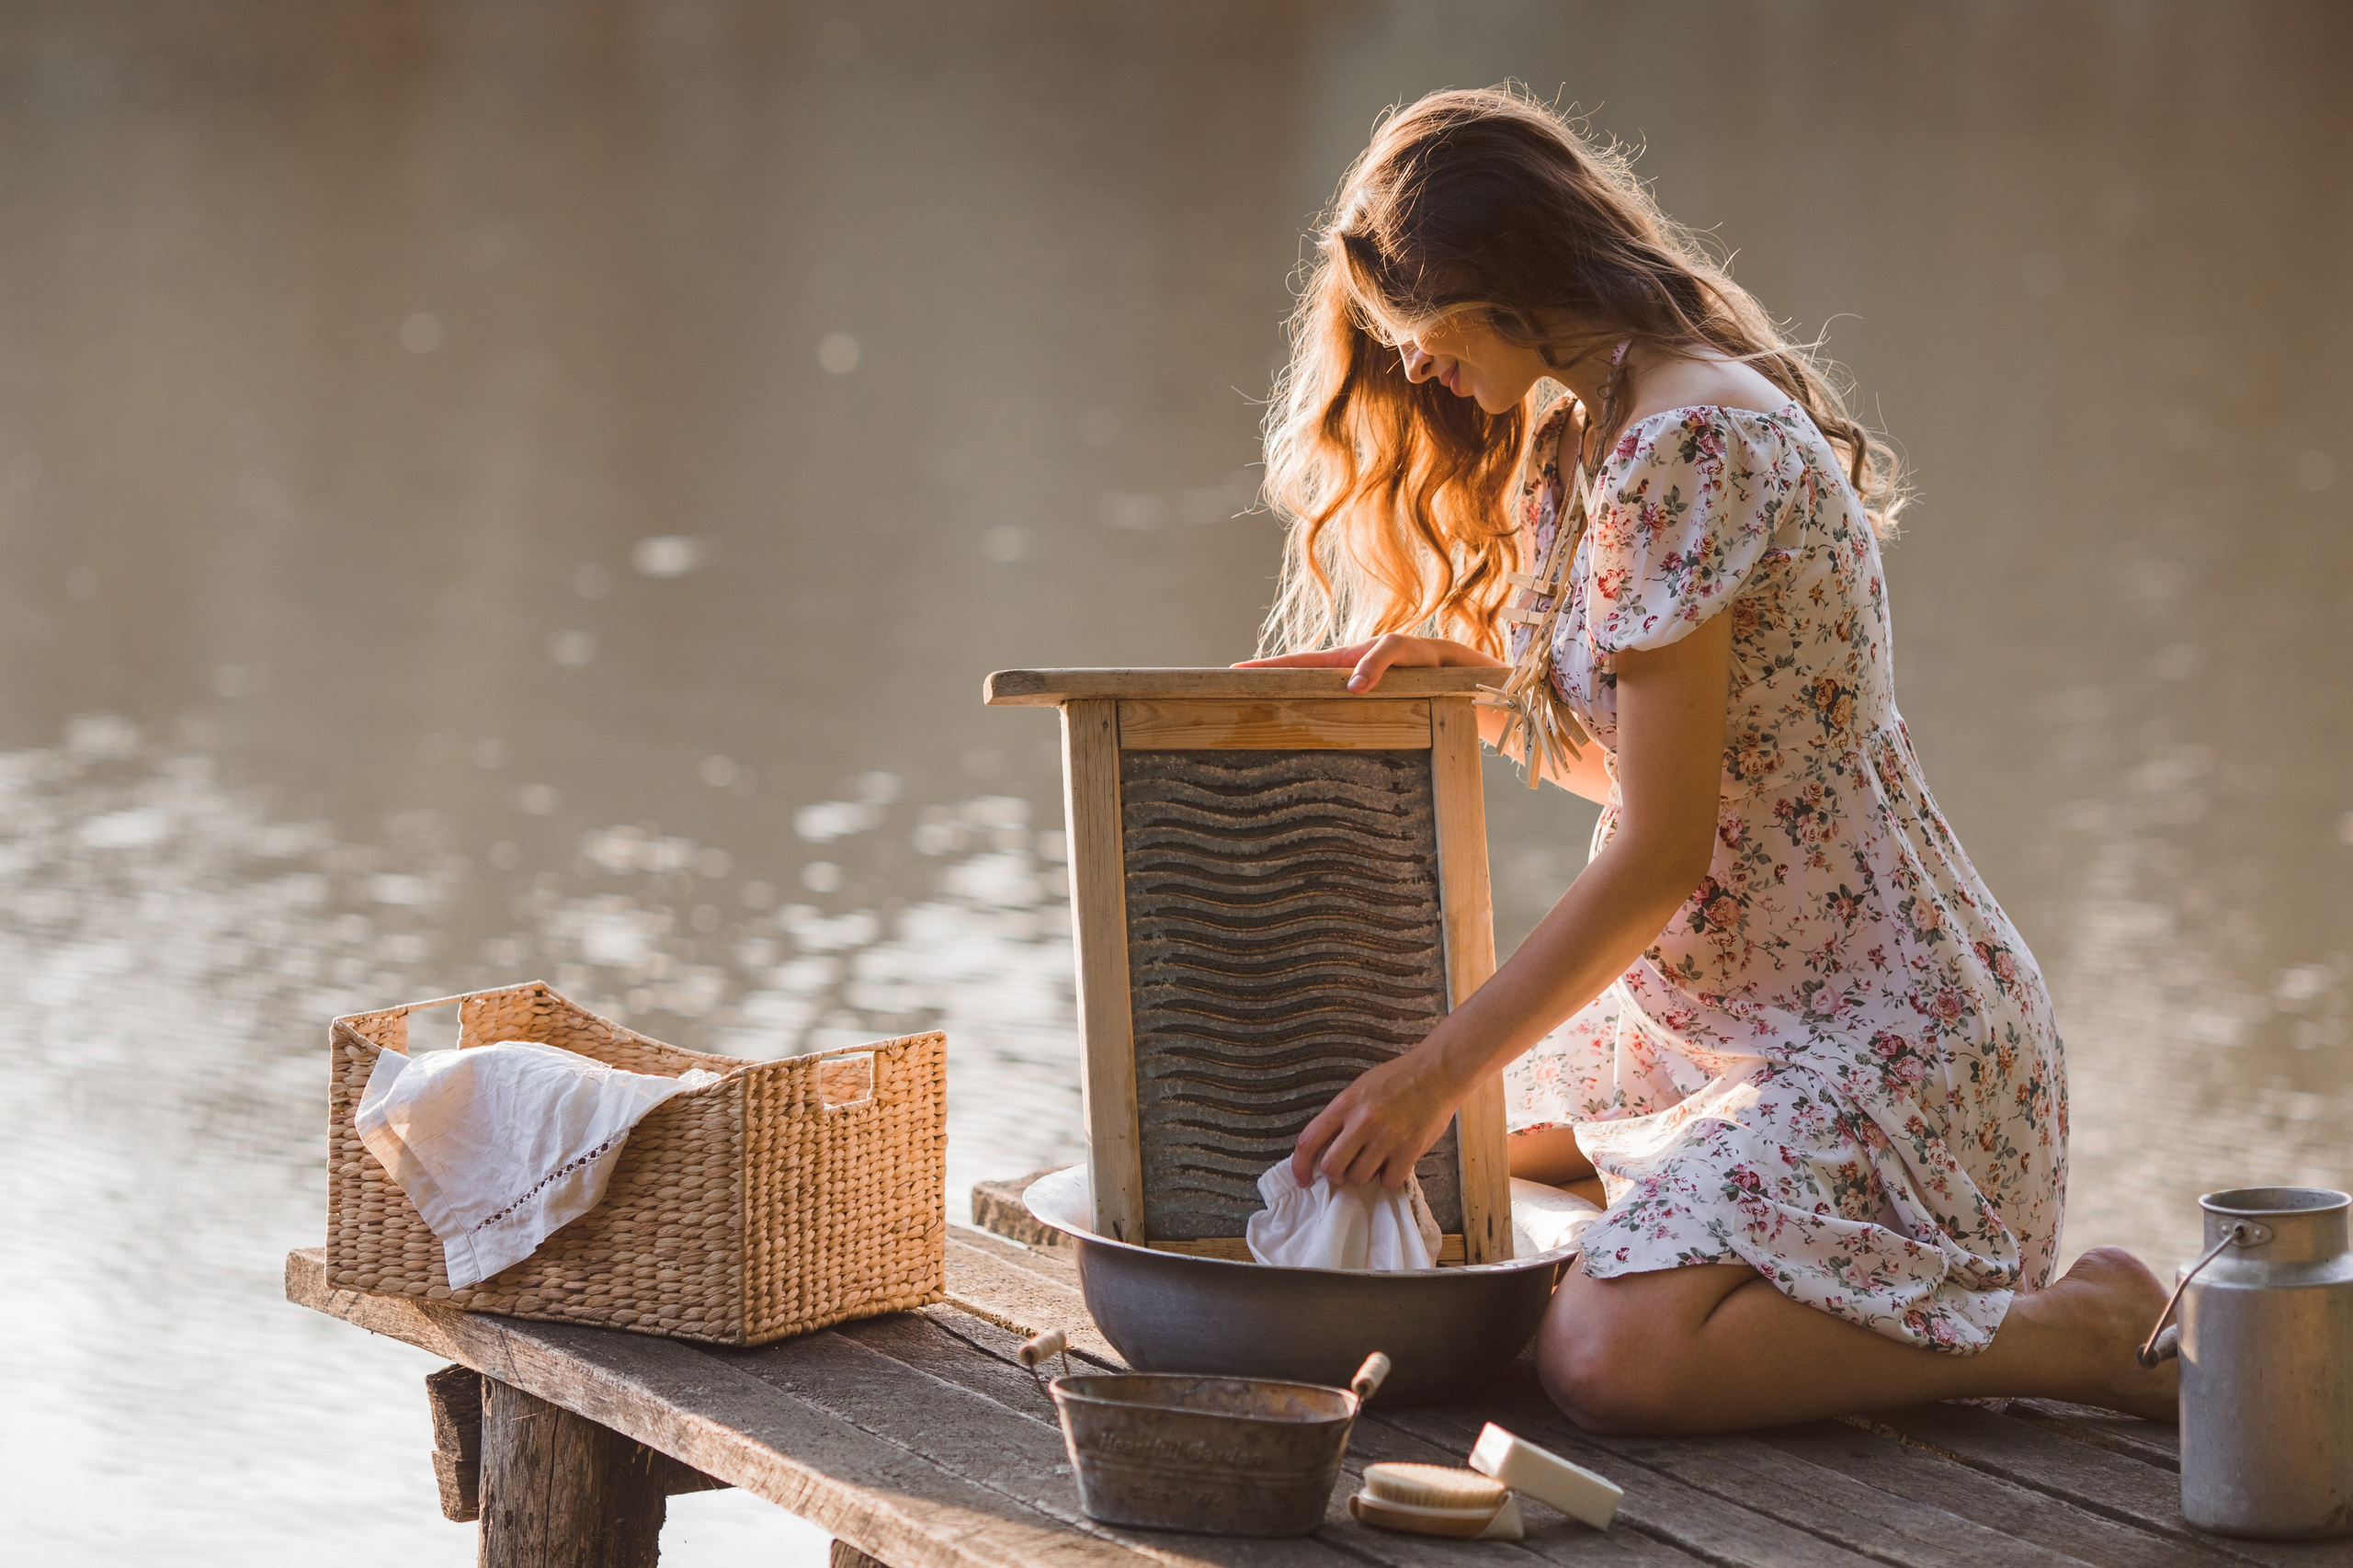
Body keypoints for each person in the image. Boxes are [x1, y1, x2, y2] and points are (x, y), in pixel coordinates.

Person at [1240, 86, 2175, 1434]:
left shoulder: (1689, 444)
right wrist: (1479, 697)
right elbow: (1699, 792)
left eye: (1420, 334)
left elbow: (1665, 853)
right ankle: (1726, 1251)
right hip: (1714, 1025)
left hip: (1884, 1040)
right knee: (1425, 1198)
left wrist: (1442, 1061)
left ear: (1503, 284)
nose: (1416, 372)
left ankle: (2071, 1332)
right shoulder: (1587, 429)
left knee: (1608, 1357)